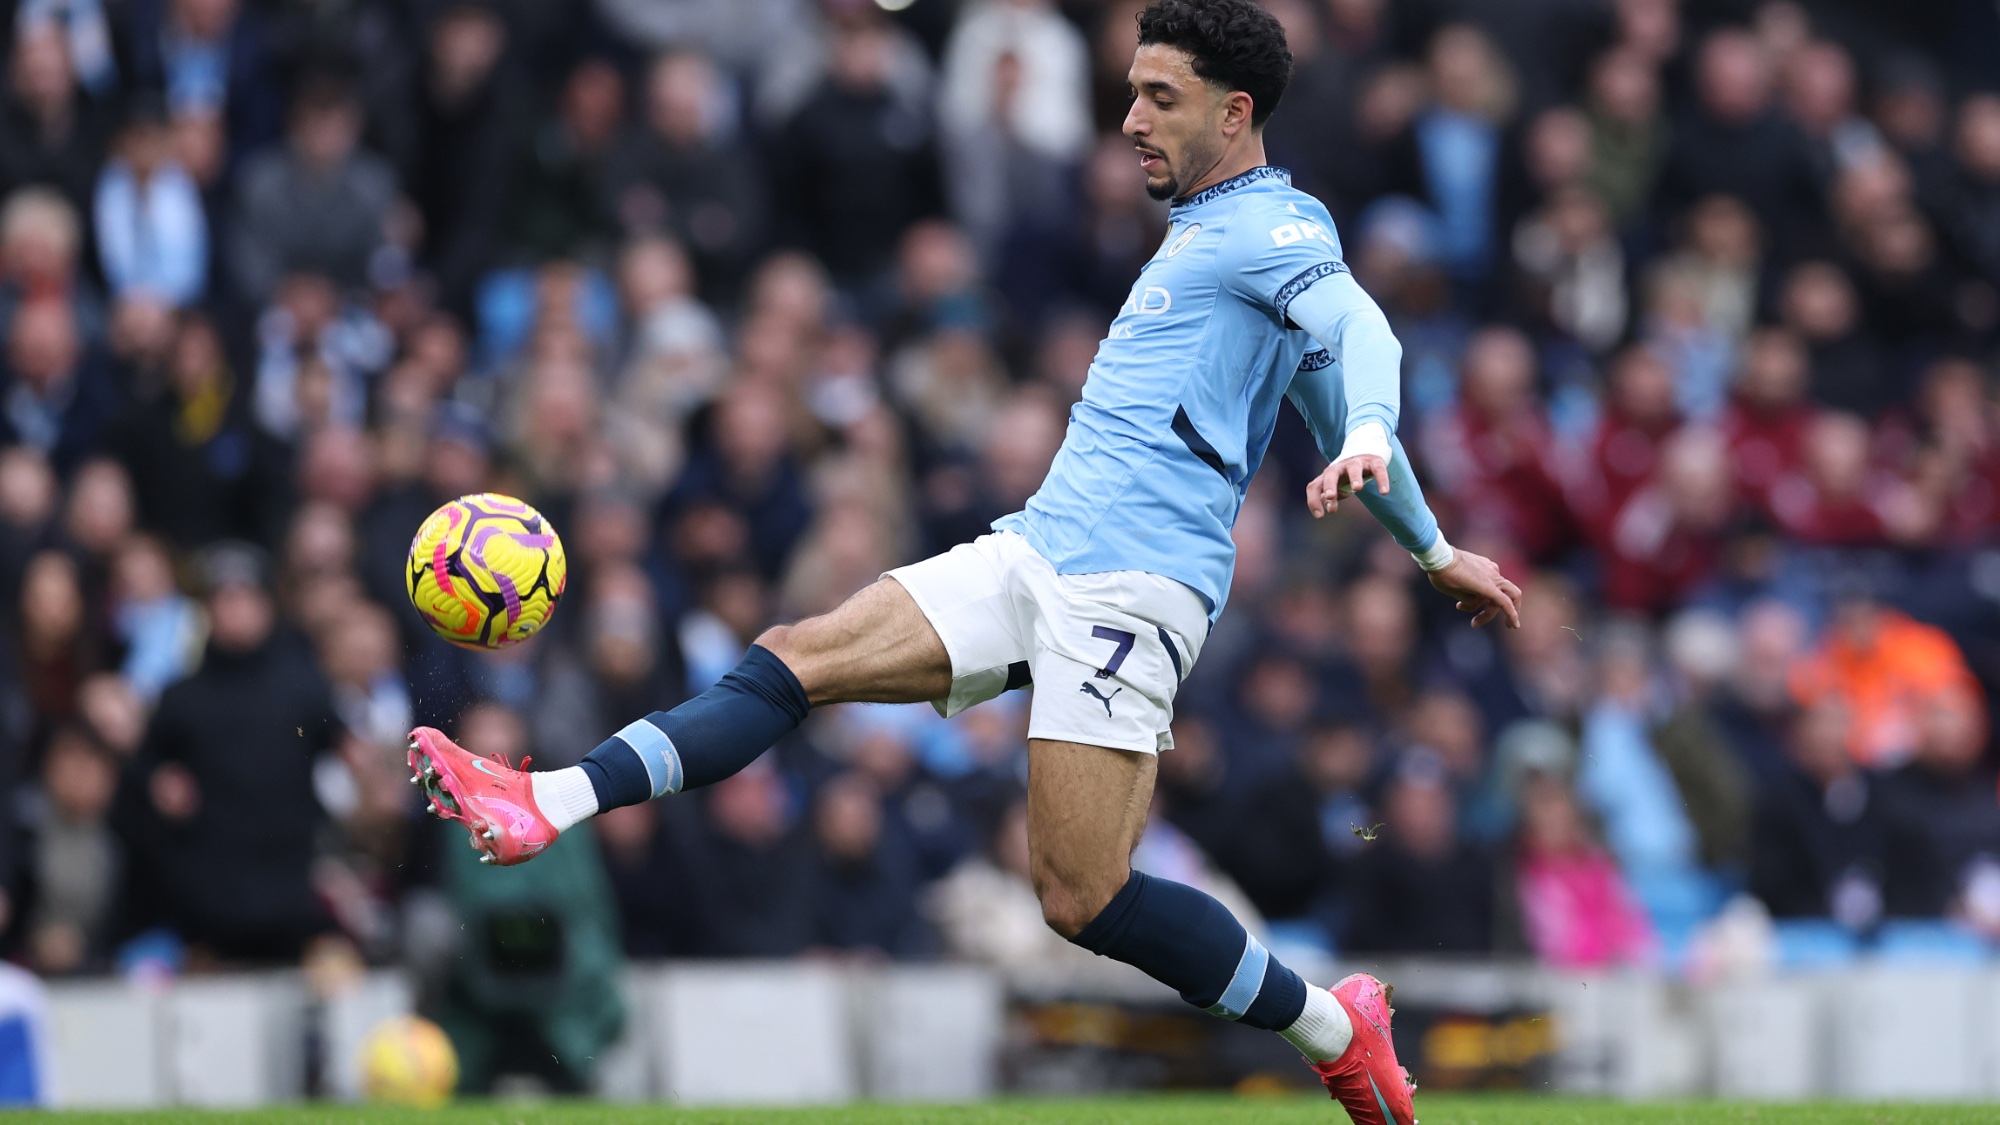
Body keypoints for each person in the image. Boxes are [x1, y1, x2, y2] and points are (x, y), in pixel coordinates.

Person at [407, 4, 1520, 1121]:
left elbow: (1355, 332)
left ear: (1235, 114)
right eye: (1129, 91)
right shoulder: (1204, 230)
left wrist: (1374, 428)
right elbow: (1331, 409)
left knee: (1081, 900)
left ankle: (1334, 1026)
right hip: (1038, 546)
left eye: (1160, 100)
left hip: (1130, 589)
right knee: (797, 655)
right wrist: (1426, 544)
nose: (1129, 118)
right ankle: (541, 798)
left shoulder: (1276, 229)